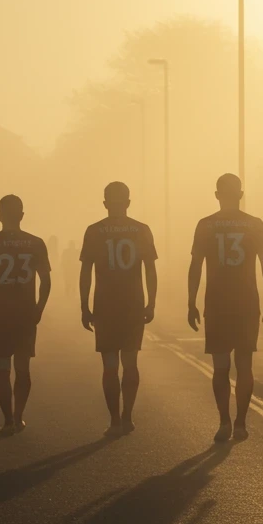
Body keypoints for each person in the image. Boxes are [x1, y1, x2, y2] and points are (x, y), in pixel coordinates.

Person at [188, 173, 263, 443]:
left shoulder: (205, 225)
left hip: (216, 302)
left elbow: (195, 266)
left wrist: (191, 301)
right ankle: (240, 423)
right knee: (244, 364)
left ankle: (224, 422)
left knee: (221, 366)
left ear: (217, 195)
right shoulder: (254, 224)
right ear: (240, 195)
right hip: (247, 301)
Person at [79, 182, 158, 437]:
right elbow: (150, 269)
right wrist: (151, 302)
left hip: (105, 305)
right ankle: (128, 416)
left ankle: (114, 420)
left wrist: (84, 305)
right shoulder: (141, 230)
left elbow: (85, 271)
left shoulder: (94, 230)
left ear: (105, 203)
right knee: (131, 361)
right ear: (128, 202)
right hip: (133, 303)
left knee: (110, 364)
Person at [0, 195, 51, 435]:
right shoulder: (36, 243)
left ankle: (7, 419)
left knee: (2, 369)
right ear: (21, 215)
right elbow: (46, 280)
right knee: (23, 367)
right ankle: (19, 416)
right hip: (25, 312)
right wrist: (39, 307)